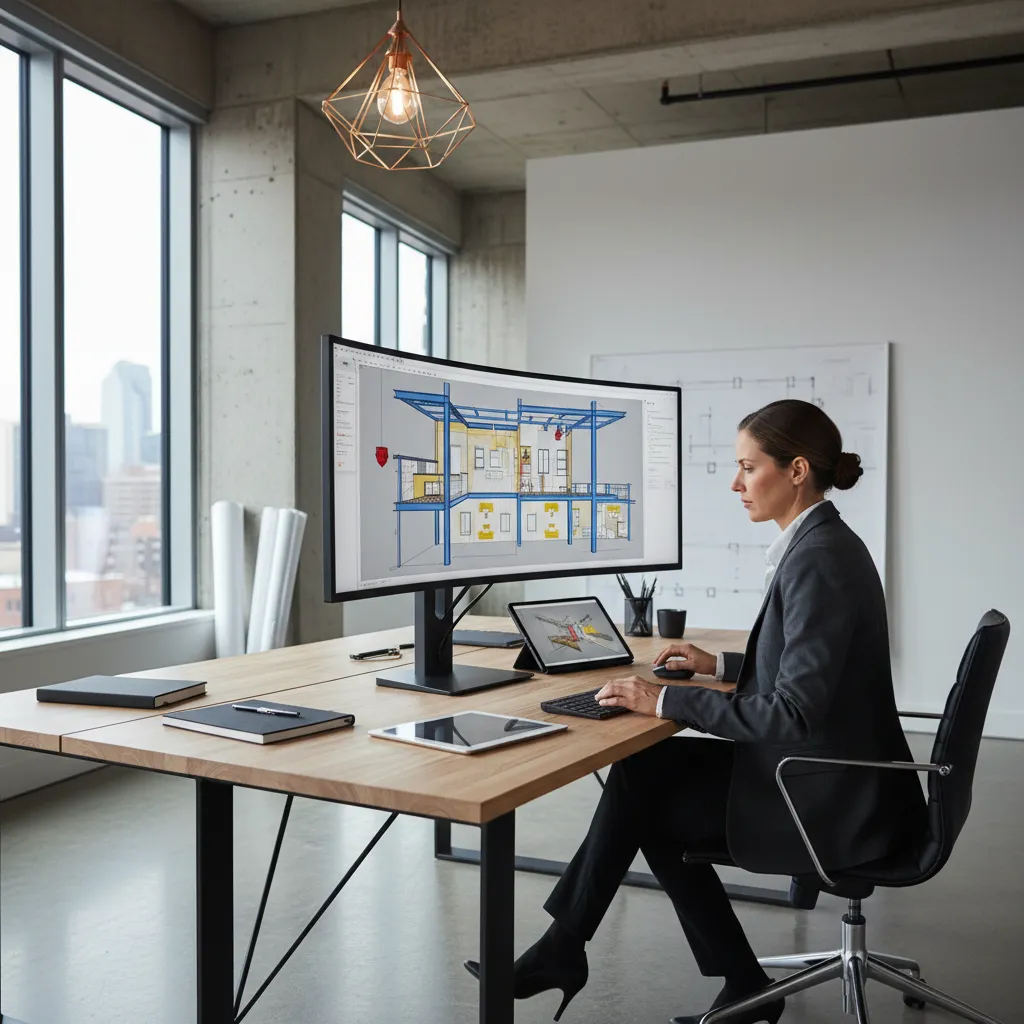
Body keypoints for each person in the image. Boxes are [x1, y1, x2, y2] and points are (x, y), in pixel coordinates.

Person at [464, 399, 926, 1024]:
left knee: (645, 792)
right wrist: (718, 668)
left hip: (826, 798)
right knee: (646, 774)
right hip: (842, 777)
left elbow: (793, 714)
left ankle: (583, 951)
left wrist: (663, 699)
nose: (736, 484)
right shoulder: (825, 544)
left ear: (795, 470)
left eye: (747, 467)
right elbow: (817, 673)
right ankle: (594, 953)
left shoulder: (819, 559)